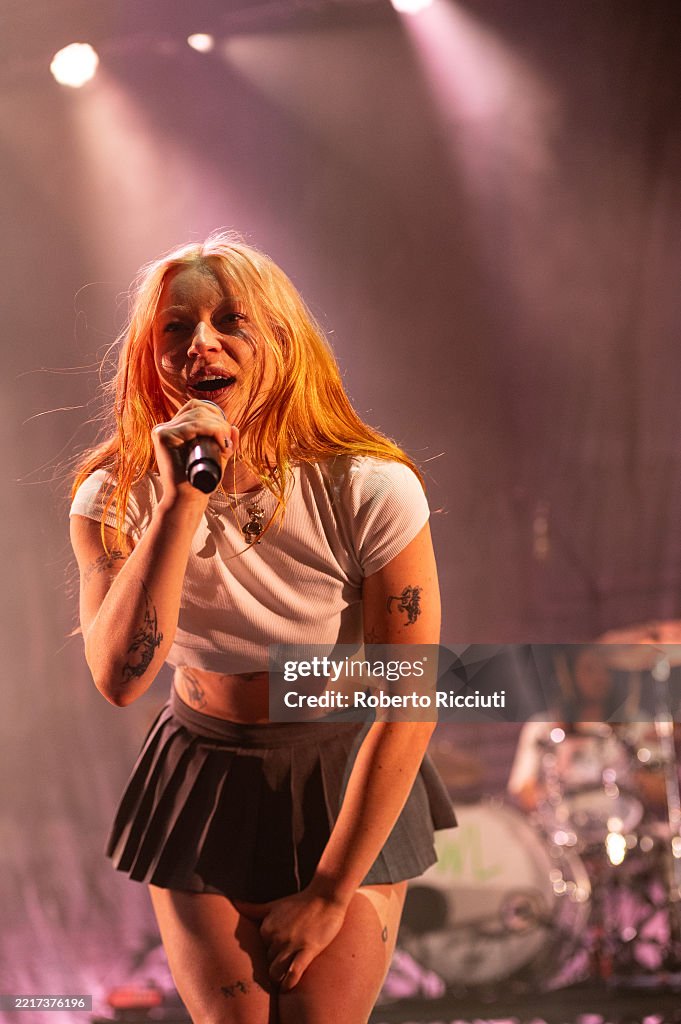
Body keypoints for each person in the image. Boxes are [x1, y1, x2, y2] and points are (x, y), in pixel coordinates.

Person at [69, 232, 456, 1024]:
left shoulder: (368, 487)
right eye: (174, 328)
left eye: (229, 321)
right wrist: (180, 504)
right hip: (202, 766)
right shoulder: (116, 498)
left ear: (278, 343)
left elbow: (407, 699)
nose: (200, 342)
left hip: (338, 767)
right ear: (151, 356)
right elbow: (119, 680)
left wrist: (328, 892)